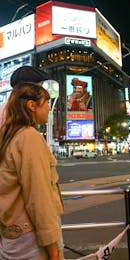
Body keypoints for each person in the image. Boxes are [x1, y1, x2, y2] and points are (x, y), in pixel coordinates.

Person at [0, 82, 64, 260]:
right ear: (32, 105)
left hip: (11, 237)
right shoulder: (29, 137)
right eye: (46, 103)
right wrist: (52, 247)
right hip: (31, 240)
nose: (48, 109)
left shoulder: (8, 134)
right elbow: (38, 197)